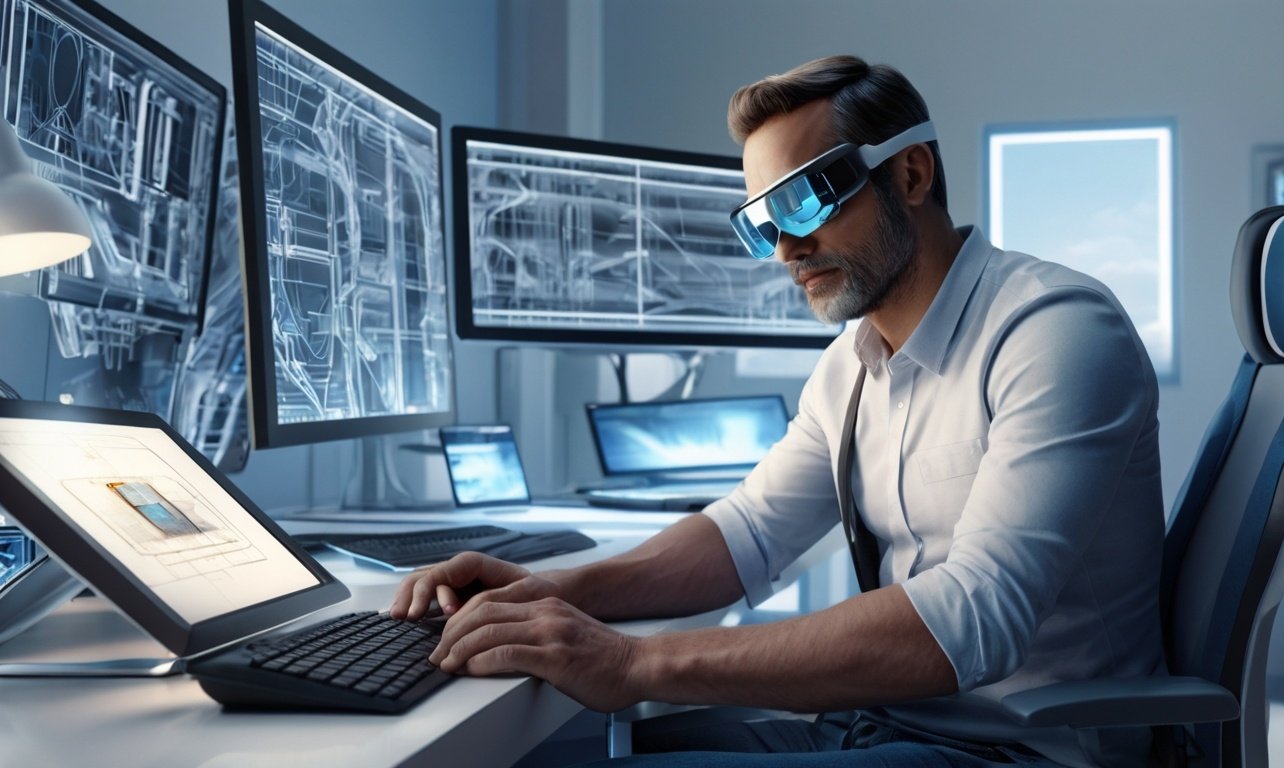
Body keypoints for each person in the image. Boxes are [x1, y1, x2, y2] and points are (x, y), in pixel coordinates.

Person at [390, 55, 1164, 768]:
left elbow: (975, 617)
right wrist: (561, 590)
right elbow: (747, 534)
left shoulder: (1053, 328)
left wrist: (635, 665)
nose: (789, 249)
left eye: (806, 200)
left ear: (912, 173)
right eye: (764, 222)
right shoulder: (851, 369)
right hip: (887, 722)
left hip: (1022, 752)